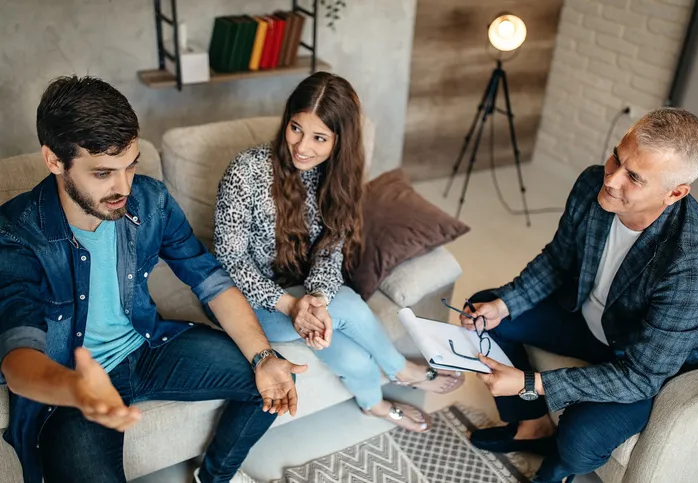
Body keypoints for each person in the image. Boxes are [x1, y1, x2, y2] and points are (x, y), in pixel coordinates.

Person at [0, 76, 308, 483]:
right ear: (55, 160)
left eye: (131, 165)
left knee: (270, 379)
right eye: (103, 173)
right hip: (72, 388)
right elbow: (17, 358)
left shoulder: (151, 200)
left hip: (147, 345)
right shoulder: (17, 232)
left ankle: (214, 476)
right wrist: (77, 391)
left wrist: (264, 357)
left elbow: (211, 281)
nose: (123, 187)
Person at [461, 108, 698, 482]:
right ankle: (532, 428)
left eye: (634, 177)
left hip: (646, 362)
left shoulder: (695, 262)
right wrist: (502, 305)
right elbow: (557, 261)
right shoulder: (591, 185)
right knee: (486, 310)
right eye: (618, 156)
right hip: (590, 319)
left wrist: (532, 384)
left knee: (580, 437)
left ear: (675, 193)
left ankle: (558, 469)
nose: (612, 179)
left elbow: (640, 376)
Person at [214, 72, 464, 432]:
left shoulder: (334, 178)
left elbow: (330, 252)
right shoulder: (246, 171)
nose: (302, 146)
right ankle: (401, 369)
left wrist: (315, 298)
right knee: (345, 304)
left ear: (338, 141)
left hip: (301, 293)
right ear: (287, 120)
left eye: (319, 137)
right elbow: (230, 262)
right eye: (296, 128)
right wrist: (292, 306)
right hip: (246, 303)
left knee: (356, 359)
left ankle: (374, 405)